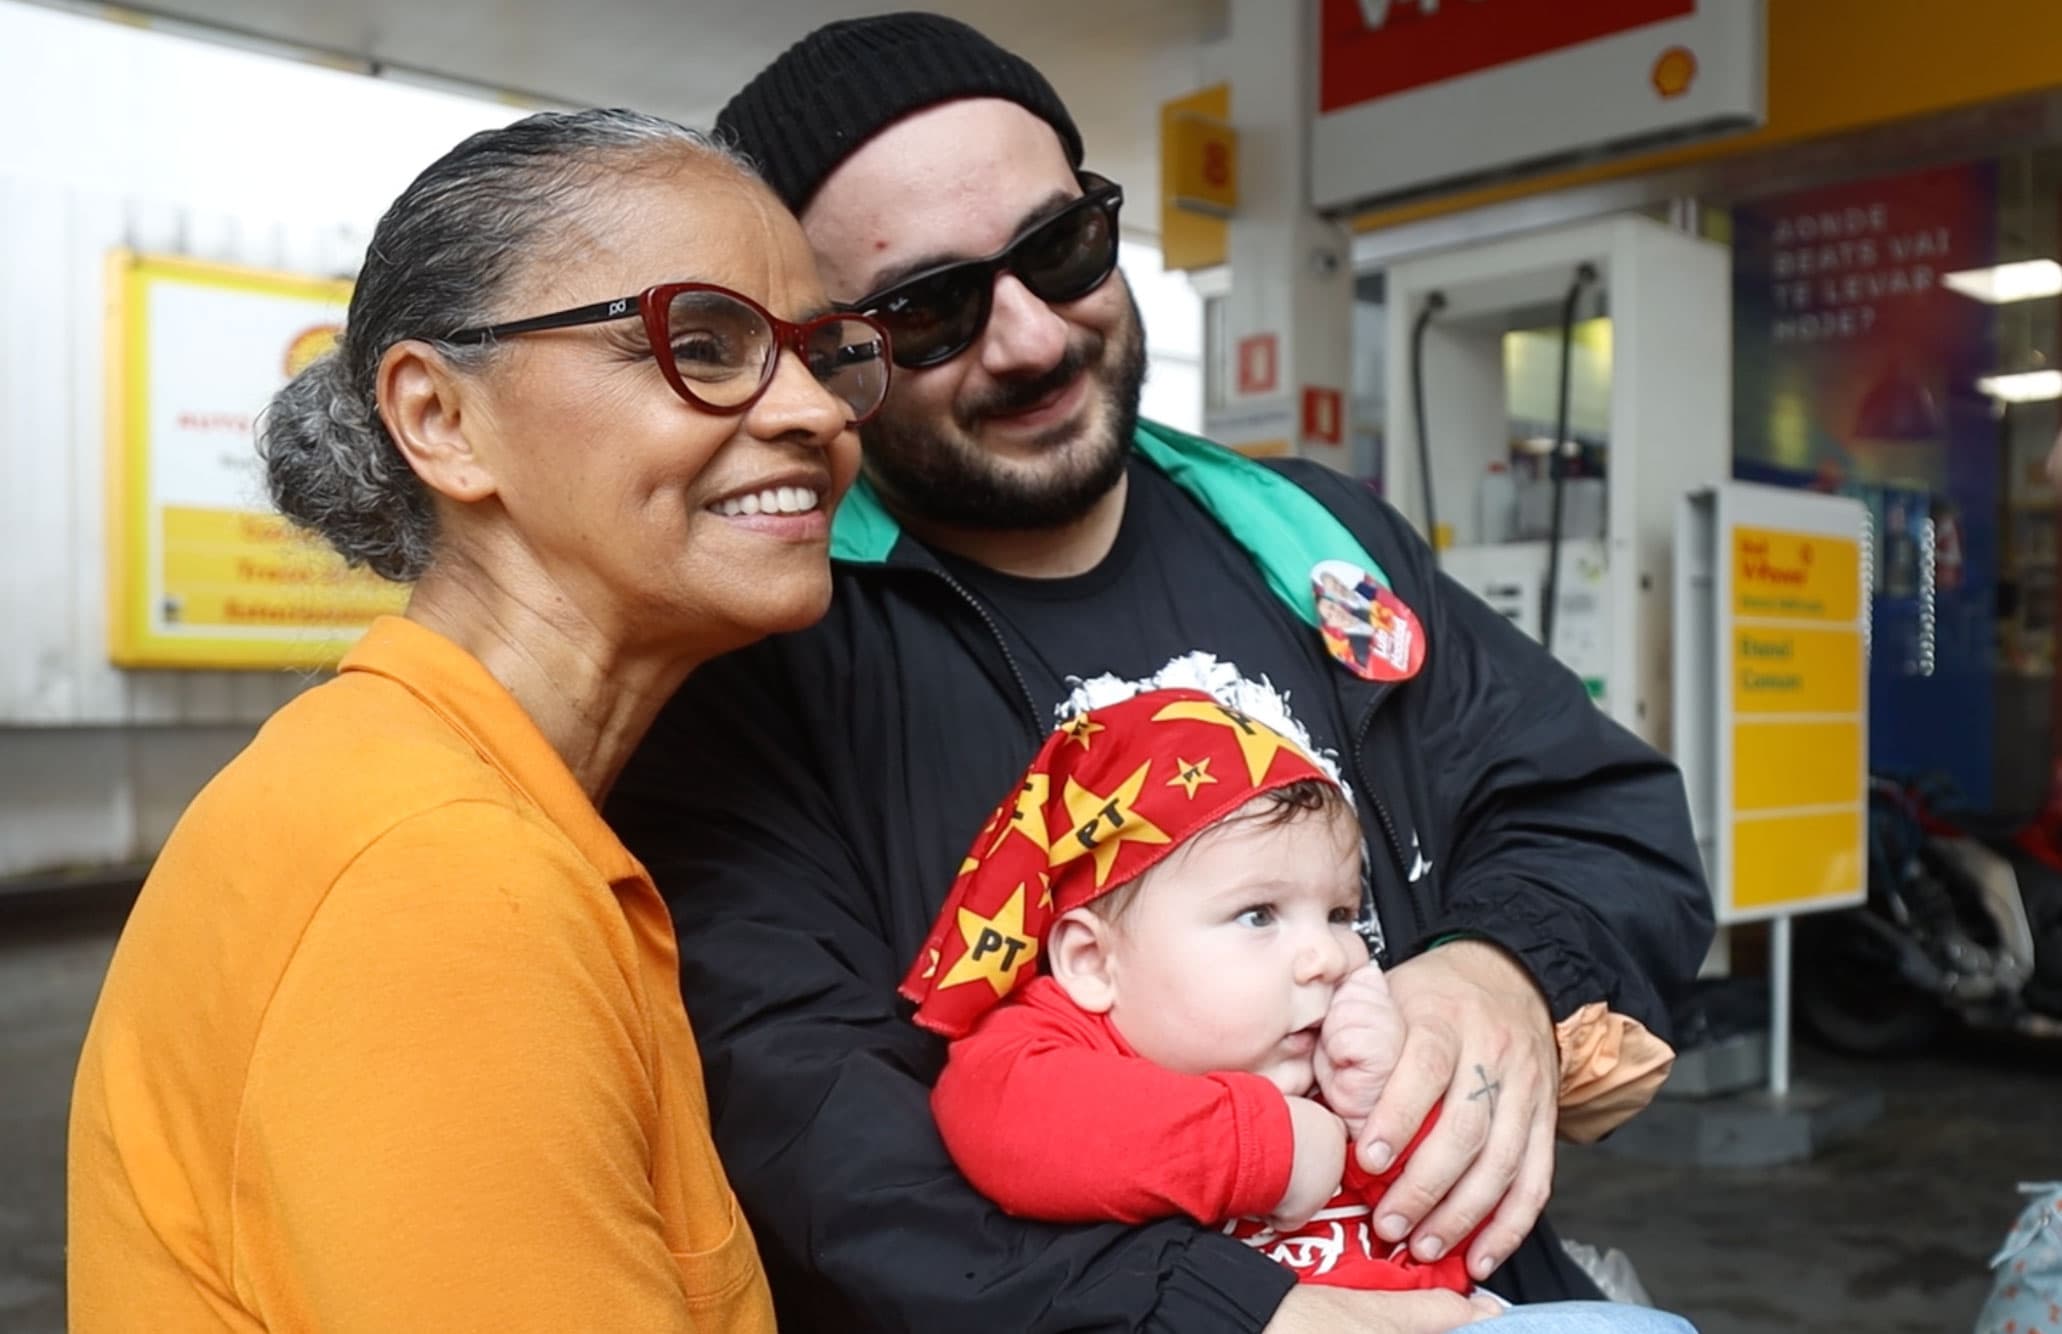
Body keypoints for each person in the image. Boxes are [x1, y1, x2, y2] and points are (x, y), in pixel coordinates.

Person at [608, 13, 1715, 1333]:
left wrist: (1498, 970)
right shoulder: (762, 657)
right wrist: (1234, 1311)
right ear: (825, 352)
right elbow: (809, 1136)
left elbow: (1600, 818)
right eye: (928, 308)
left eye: (1059, 248)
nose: (1027, 338)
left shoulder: (1312, 537)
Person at [67, 108, 890, 1331]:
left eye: (823, 354)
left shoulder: (449, 797)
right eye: (703, 343)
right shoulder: (436, 872)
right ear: (441, 420)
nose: (818, 414)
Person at [906, 683, 1696, 1332]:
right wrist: (1264, 1147)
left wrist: (1380, 1100)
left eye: (1342, 916)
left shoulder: (1325, 1036)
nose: (1327, 957)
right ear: (1092, 961)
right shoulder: (1052, 1042)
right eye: (1259, 915)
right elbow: (1007, 1118)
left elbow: (1439, 1196)